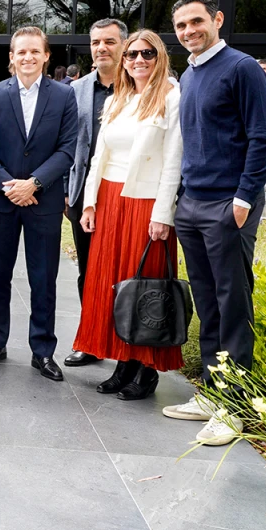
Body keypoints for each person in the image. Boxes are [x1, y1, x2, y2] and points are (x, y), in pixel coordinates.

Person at [163, 0, 266, 445]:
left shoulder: (241, 67)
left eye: (196, 22)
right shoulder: (190, 75)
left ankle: (235, 408)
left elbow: (263, 138)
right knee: (208, 302)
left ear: (217, 19)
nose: (189, 31)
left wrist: (245, 196)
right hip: (192, 204)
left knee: (233, 303)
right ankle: (212, 393)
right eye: (181, 26)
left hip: (229, 205)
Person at [75, 30, 183, 400]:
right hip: (110, 198)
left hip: (144, 201)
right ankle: (123, 362)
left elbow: (174, 162)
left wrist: (163, 213)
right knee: (113, 283)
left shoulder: (171, 96)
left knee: (146, 285)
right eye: (132, 54)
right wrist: (90, 202)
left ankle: (147, 369)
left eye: (147, 53)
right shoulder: (118, 99)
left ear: (160, 57)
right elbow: (97, 157)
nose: (138, 60)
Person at [0, 26, 78, 381]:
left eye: (35, 51)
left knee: (43, 278)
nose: (28, 57)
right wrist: (10, 187)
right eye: (21, 52)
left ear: (47, 56)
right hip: (2, 202)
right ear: (12, 57)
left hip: (43, 201)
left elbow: (67, 149)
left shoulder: (64, 96)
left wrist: (33, 183)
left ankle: (43, 350)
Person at [64, 19, 126, 367]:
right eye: (96, 42)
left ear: (124, 45)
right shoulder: (77, 90)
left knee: (123, 270)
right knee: (88, 271)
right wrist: (66, 192)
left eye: (110, 42)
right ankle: (89, 341)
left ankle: (123, 344)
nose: (102, 48)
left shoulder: (142, 86)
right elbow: (67, 145)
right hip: (83, 196)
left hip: (126, 194)